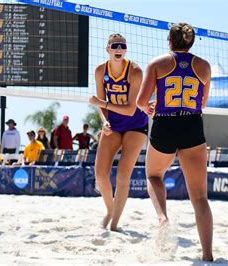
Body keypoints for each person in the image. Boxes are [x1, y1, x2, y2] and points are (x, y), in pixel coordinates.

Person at [136, 23, 213, 261]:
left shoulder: (157, 64)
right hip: (191, 124)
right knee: (199, 197)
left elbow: (141, 101)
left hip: (165, 123)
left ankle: (163, 218)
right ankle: (207, 255)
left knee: (153, 175)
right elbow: (202, 104)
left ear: (169, 40)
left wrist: (149, 107)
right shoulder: (203, 66)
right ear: (190, 42)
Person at [88, 33, 148, 231]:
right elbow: (100, 105)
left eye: (122, 46)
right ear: (107, 49)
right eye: (115, 46)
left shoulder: (135, 71)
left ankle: (114, 224)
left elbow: (131, 109)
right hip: (113, 124)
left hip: (136, 124)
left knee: (123, 174)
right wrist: (104, 121)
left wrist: (102, 104)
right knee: (100, 174)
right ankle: (110, 210)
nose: (119, 49)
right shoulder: (100, 71)